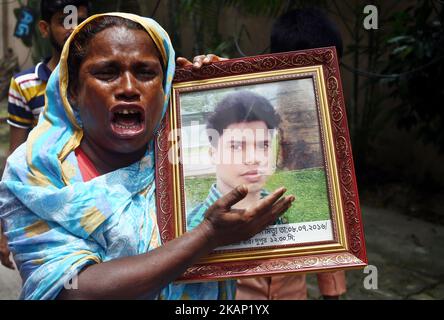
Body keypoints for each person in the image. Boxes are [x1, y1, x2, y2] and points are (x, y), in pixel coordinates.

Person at [0, 13, 294, 300]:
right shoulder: (36, 173)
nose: (129, 88)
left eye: (145, 73)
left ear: (165, 86)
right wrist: (207, 235)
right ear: (73, 90)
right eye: (106, 72)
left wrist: (215, 88)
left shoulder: (182, 155)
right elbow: (72, 289)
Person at [236, 7, 346, 300]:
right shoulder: (242, 109)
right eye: (315, 69)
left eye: (330, 71)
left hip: (291, 288)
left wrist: (332, 291)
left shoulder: (324, 129)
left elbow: (327, 208)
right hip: (236, 289)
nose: (323, 81)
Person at [1, 0, 90, 270]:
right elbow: (16, 158)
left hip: (93, 205)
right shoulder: (25, 84)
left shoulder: (103, 78)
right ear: (44, 28)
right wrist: (3, 227)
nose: (73, 28)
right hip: (42, 208)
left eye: (81, 20)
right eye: (65, 20)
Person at [187, 90, 287, 231]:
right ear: (213, 154)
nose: (253, 159)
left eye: (263, 145)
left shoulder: (283, 210)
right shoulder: (189, 229)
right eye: (237, 146)